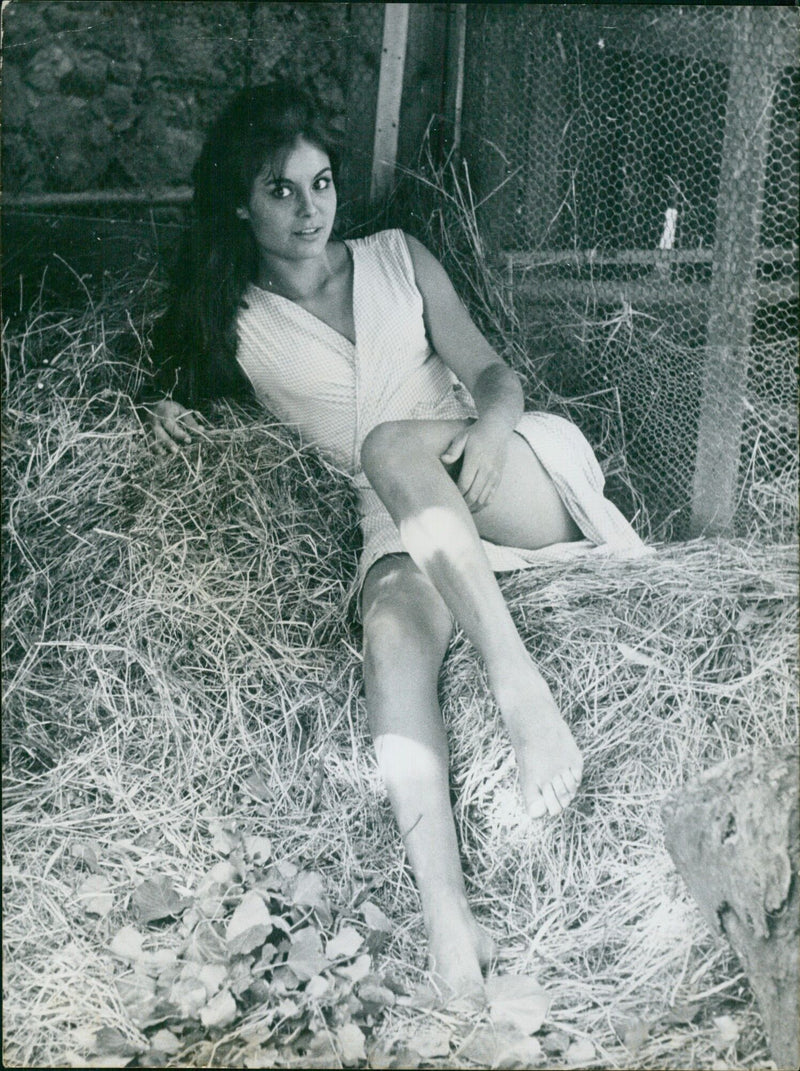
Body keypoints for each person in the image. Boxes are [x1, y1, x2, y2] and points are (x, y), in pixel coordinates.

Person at [142, 84, 647, 1001]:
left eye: (321, 182)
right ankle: (450, 922)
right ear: (239, 204)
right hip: (398, 519)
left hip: (505, 471)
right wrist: (164, 411)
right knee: (389, 633)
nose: (310, 208)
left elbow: (494, 372)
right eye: (282, 190)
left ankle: (517, 686)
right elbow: (164, 391)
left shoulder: (396, 257)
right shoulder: (231, 322)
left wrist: (492, 432)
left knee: (388, 446)